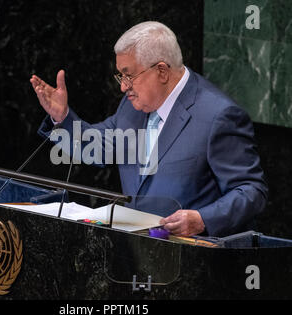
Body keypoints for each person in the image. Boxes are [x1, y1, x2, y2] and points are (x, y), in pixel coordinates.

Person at [30, 21, 268, 237]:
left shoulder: (219, 115)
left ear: (162, 71)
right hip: (136, 255)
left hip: (194, 262)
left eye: (128, 75)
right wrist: (61, 117)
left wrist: (202, 219)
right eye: (120, 75)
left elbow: (251, 191)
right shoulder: (132, 106)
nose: (123, 87)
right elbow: (97, 147)